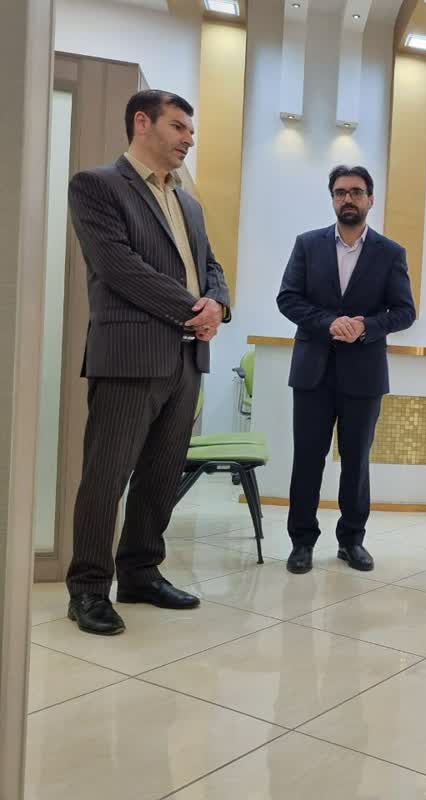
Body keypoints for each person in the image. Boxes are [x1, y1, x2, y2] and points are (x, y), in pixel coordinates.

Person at [65, 89, 231, 636]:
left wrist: (218, 304)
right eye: (179, 127)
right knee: (107, 475)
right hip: (130, 356)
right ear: (142, 122)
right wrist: (194, 309)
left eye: (191, 130)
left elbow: (210, 266)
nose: (189, 139)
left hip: (186, 359)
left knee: (160, 475)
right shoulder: (97, 186)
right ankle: (89, 588)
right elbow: (118, 266)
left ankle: (140, 572)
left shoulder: (188, 202)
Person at [277, 165, 415, 575]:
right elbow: (288, 298)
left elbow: (405, 311)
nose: (348, 199)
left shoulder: (390, 253)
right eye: (340, 192)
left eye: (356, 192)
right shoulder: (307, 244)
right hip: (313, 372)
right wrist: (329, 323)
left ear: (370, 199)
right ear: (332, 198)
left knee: (356, 462)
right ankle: (302, 542)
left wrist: (366, 327)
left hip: (364, 374)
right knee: (307, 459)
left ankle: (352, 540)